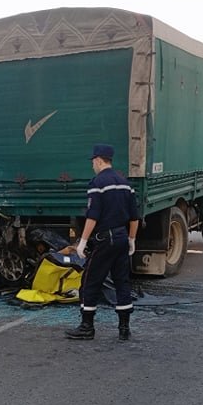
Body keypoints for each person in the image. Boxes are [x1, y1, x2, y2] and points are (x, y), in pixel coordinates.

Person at [65, 144, 139, 341]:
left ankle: (86, 327)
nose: (92, 166)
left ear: (98, 160)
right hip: (122, 237)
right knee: (122, 282)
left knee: (90, 281)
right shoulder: (125, 183)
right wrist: (131, 239)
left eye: (93, 162)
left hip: (105, 239)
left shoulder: (97, 183)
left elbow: (93, 216)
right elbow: (134, 216)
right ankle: (124, 328)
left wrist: (82, 242)